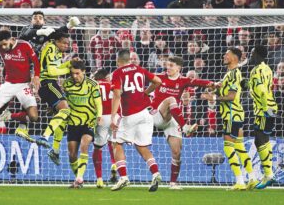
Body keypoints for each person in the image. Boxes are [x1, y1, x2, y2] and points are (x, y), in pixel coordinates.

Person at [150, 55, 216, 189]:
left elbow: (197, 82)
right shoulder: (159, 77)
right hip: (157, 115)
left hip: (173, 118)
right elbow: (144, 76)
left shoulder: (183, 81)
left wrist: (212, 83)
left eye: (171, 66)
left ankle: (173, 183)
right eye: (167, 65)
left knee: (177, 152)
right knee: (171, 100)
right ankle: (186, 127)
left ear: (179, 68)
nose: (167, 68)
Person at [201, 47, 257, 190]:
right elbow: (224, 91)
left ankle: (239, 181)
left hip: (232, 114)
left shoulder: (234, 74)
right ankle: (252, 178)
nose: (224, 56)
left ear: (234, 57)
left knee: (228, 147)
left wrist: (212, 97)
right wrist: (213, 88)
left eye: (227, 54)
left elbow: (231, 97)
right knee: (239, 147)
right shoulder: (229, 74)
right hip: (235, 114)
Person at [110, 48, 162, 192]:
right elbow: (158, 81)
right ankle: (156, 173)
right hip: (146, 114)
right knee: (142, 147)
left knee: (117, 143)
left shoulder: (117, 73)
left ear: (117, 60)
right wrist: (146, 93)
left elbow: (116, 95)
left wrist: (113, 116)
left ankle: (124, 177)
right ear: (129, 59)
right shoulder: (139, 69)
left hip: (130, 115)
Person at [35, 17, 81, 166]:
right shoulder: (51, 48)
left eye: (68, 43)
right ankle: (45, 136)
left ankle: (55, 150)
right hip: (47, 83)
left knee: (62, 117)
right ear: (56, 41)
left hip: (50, 83)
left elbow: (60, 32)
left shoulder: (54, 48)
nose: (66, 46)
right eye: (64, 43)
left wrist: (69, 26)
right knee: (66, 111)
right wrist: (69, 65)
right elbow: (53, 71)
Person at [63, 60, 102, 188]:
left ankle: (79, 178)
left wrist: (99, 115)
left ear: (84, 72)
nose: (75, 76)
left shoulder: (92, 84)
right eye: (73, 73)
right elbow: (63, 101)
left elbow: (98, 103)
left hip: (88, 121)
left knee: (84, 146)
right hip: (73, 122)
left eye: (77, 73)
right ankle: (78, 180)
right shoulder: (66, 84)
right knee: (72, 155)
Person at [248, 45, 278, 189]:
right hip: (268, 106)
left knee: (261, 140)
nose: (251, 55)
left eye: (252, 53)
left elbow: (261, 90)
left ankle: (269, 175)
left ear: (258, 55)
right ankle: (268, 174)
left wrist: (267, 109)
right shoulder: (267, 68)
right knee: (260, 140)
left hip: (263, 109)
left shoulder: (257, 70)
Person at [92, 69, 118, 188]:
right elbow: (118, 99)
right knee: (113, 143)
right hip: (113, 116)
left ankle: (99, 179)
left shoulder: (92, 85)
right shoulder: (111, 85)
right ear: (106, 76)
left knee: (98, 147)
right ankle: (114, 163)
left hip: (100, 117)